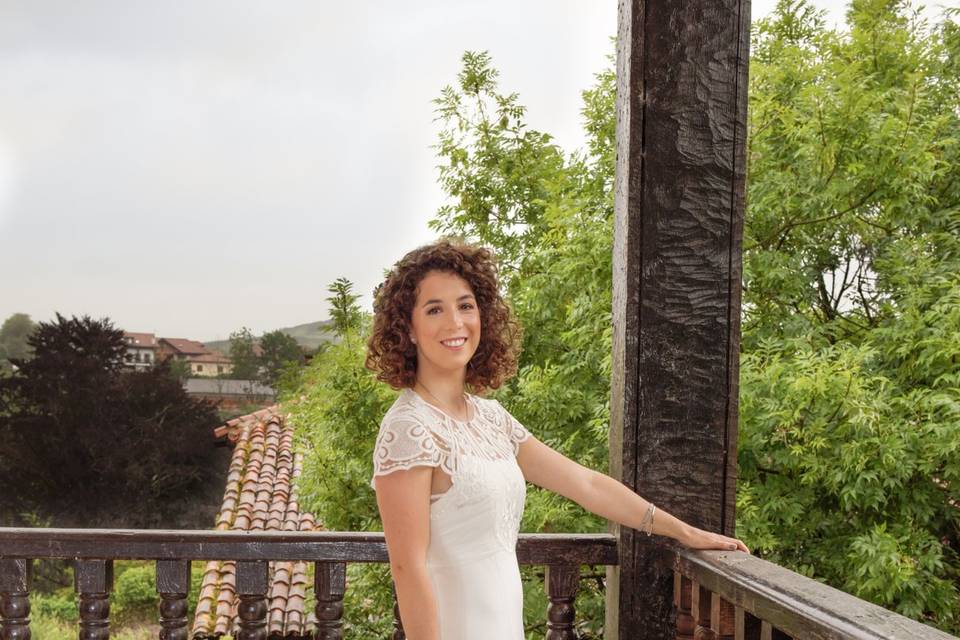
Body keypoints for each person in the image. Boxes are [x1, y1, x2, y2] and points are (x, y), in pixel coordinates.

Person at [366, 240, 749, 640]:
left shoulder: (491, 418)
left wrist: (683, 531)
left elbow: (585, 484)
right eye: (434, 309)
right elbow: (408, 569)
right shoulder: (408, 429)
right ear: (407, 328)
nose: (455, 323)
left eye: (465, 305)